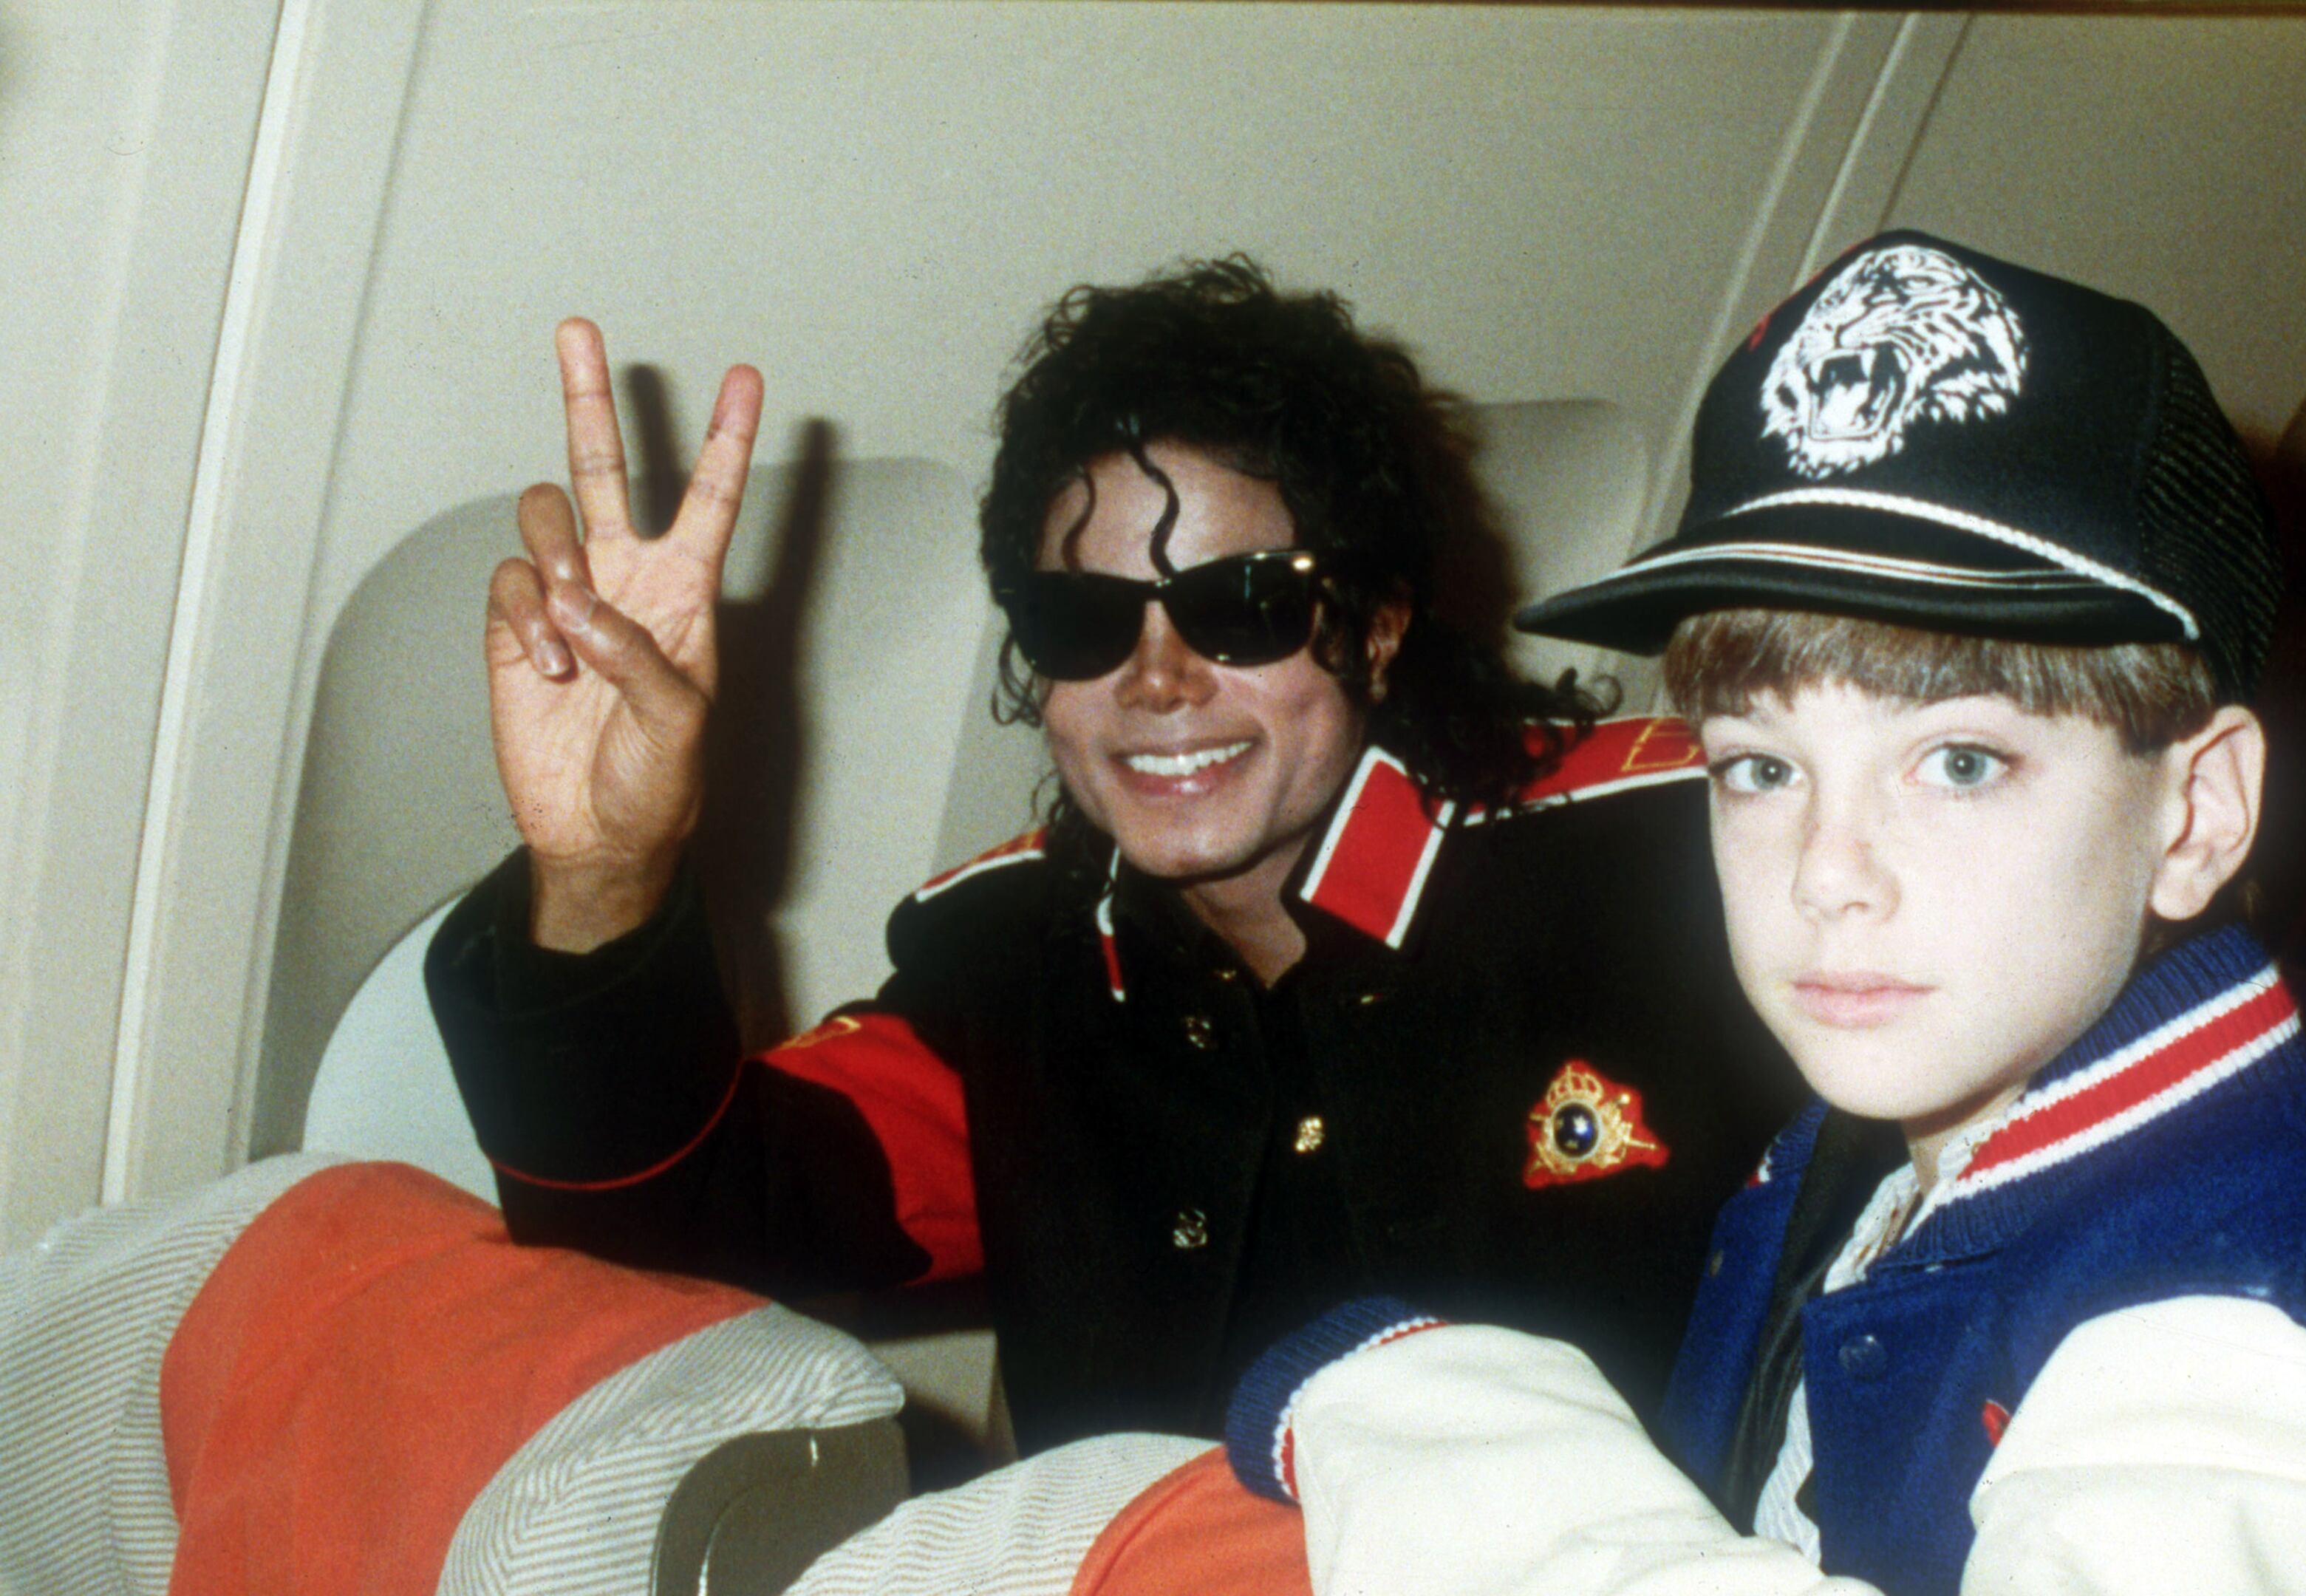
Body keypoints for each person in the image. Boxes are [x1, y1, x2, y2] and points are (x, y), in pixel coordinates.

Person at [1170, 232, 2306, 1596]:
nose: (1825, 872)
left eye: (1961, 763)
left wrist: (1428, 1409)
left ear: (2196, 813)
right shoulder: (1856, 1149)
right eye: (1762, 768)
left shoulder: (2233, 1320)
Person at [425, 259, 1801, 1452]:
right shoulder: (1018, 972)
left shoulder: (1683, 868)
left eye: (1240, 606)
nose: (1157, 678)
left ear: (1379, 626)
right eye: (1086, 620)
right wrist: (604, 870)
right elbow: (672, 1229)